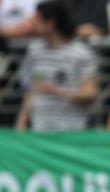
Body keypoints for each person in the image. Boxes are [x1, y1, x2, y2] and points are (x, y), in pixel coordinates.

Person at [16, 0, 99, 131]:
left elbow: (91, 93)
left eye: (37, 18)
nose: (32, 22)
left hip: (70, 131)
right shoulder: (34, 50)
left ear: (50, 23)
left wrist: (58, 91)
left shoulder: (81, 53)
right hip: (39, 129)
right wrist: (21, 123)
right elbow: (31, 89)